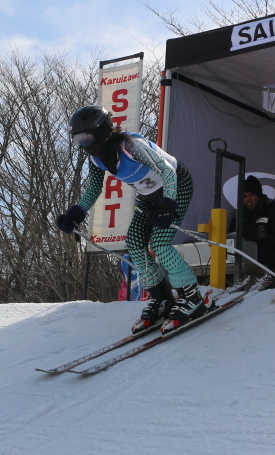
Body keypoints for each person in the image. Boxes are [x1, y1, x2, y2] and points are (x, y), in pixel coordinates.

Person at [56, 105, 205, 333]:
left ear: (101, 132)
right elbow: (94, 188)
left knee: (160, 244)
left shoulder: (130, 145)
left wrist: (167, 204)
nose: (83, 144)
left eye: (86, 137)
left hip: (176, 185)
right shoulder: (96, 159)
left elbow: (168, 172)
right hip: (149, 196)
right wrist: (75, 213)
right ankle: (161, 298)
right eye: (78, 140)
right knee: (134, 243)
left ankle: (192, 296)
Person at [227, 175, 275, 286]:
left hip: (272, 269)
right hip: (242, 267)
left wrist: (257, 241)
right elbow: (230, 240)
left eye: (251, 195)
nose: (248, 199)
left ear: (259, 196)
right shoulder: (238, 216)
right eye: (245, 196)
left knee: (267, 250)